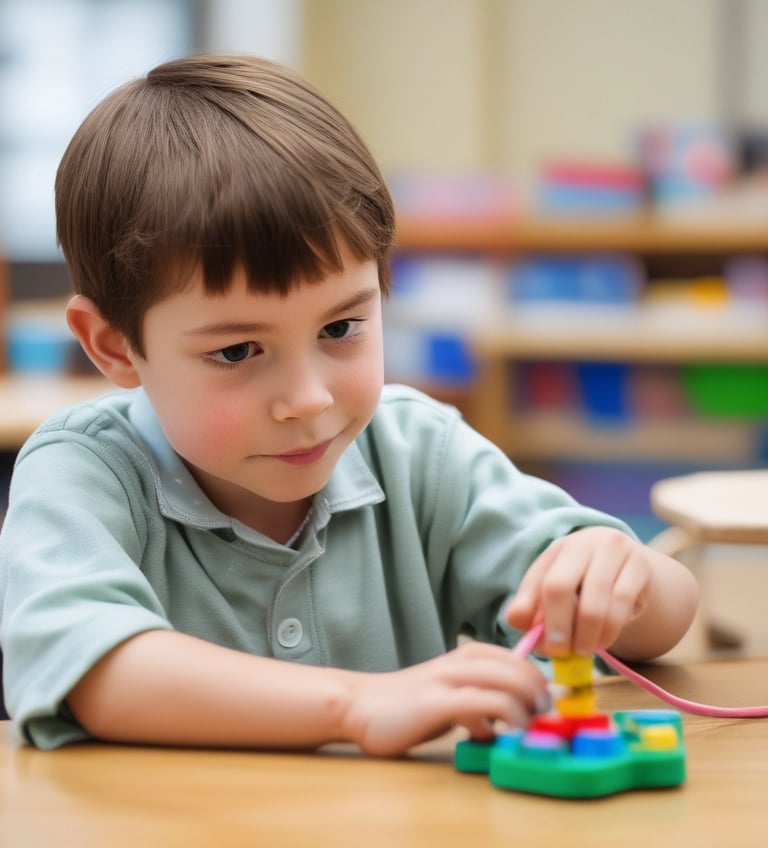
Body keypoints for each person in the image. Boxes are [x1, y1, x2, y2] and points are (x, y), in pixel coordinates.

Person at [0, 54, 698, 755]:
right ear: (114, 346)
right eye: (237, 351)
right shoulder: (84, 473)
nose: (309, 399)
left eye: (341, 328)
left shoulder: (417, 453)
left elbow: (663, 622)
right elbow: (93, 670)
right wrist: (357, 704)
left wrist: (620, 576)